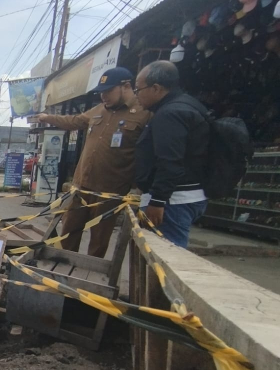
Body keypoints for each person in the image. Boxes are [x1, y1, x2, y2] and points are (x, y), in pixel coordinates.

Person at [33, 67, 151, 257]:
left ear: (126, 86)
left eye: (108, 91)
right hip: (81, 187)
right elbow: (74, 120)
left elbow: (150, 152)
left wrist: (140, 186)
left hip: (110, 191)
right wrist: (48, 118)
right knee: (68, 232)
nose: (103, 96)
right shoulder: (98, 110)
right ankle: (60, 272)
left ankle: (89, 278)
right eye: (101, 92)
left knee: (99, 240)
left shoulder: (144, 113)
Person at [134, 60, 209, 248]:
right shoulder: (186, 105)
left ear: (156, 88)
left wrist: (157, 201)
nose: (137, 96)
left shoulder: (170, 114)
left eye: (138, 90)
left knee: (163, 260)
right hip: (178, 198)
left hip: (172, 202)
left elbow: (170, 161)